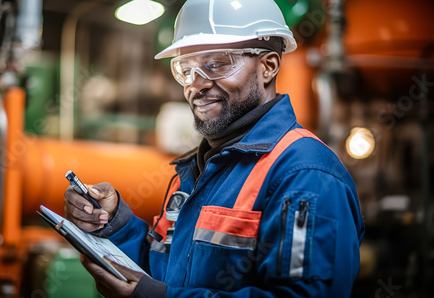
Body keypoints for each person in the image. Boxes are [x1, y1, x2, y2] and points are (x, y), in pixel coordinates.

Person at [64, 0, 365, 297]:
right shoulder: (198, 170)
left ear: (268, 66)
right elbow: (164, 276)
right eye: (186, 69)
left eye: (217, 64)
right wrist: (115, 223)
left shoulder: (306, 175)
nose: (197, 85)